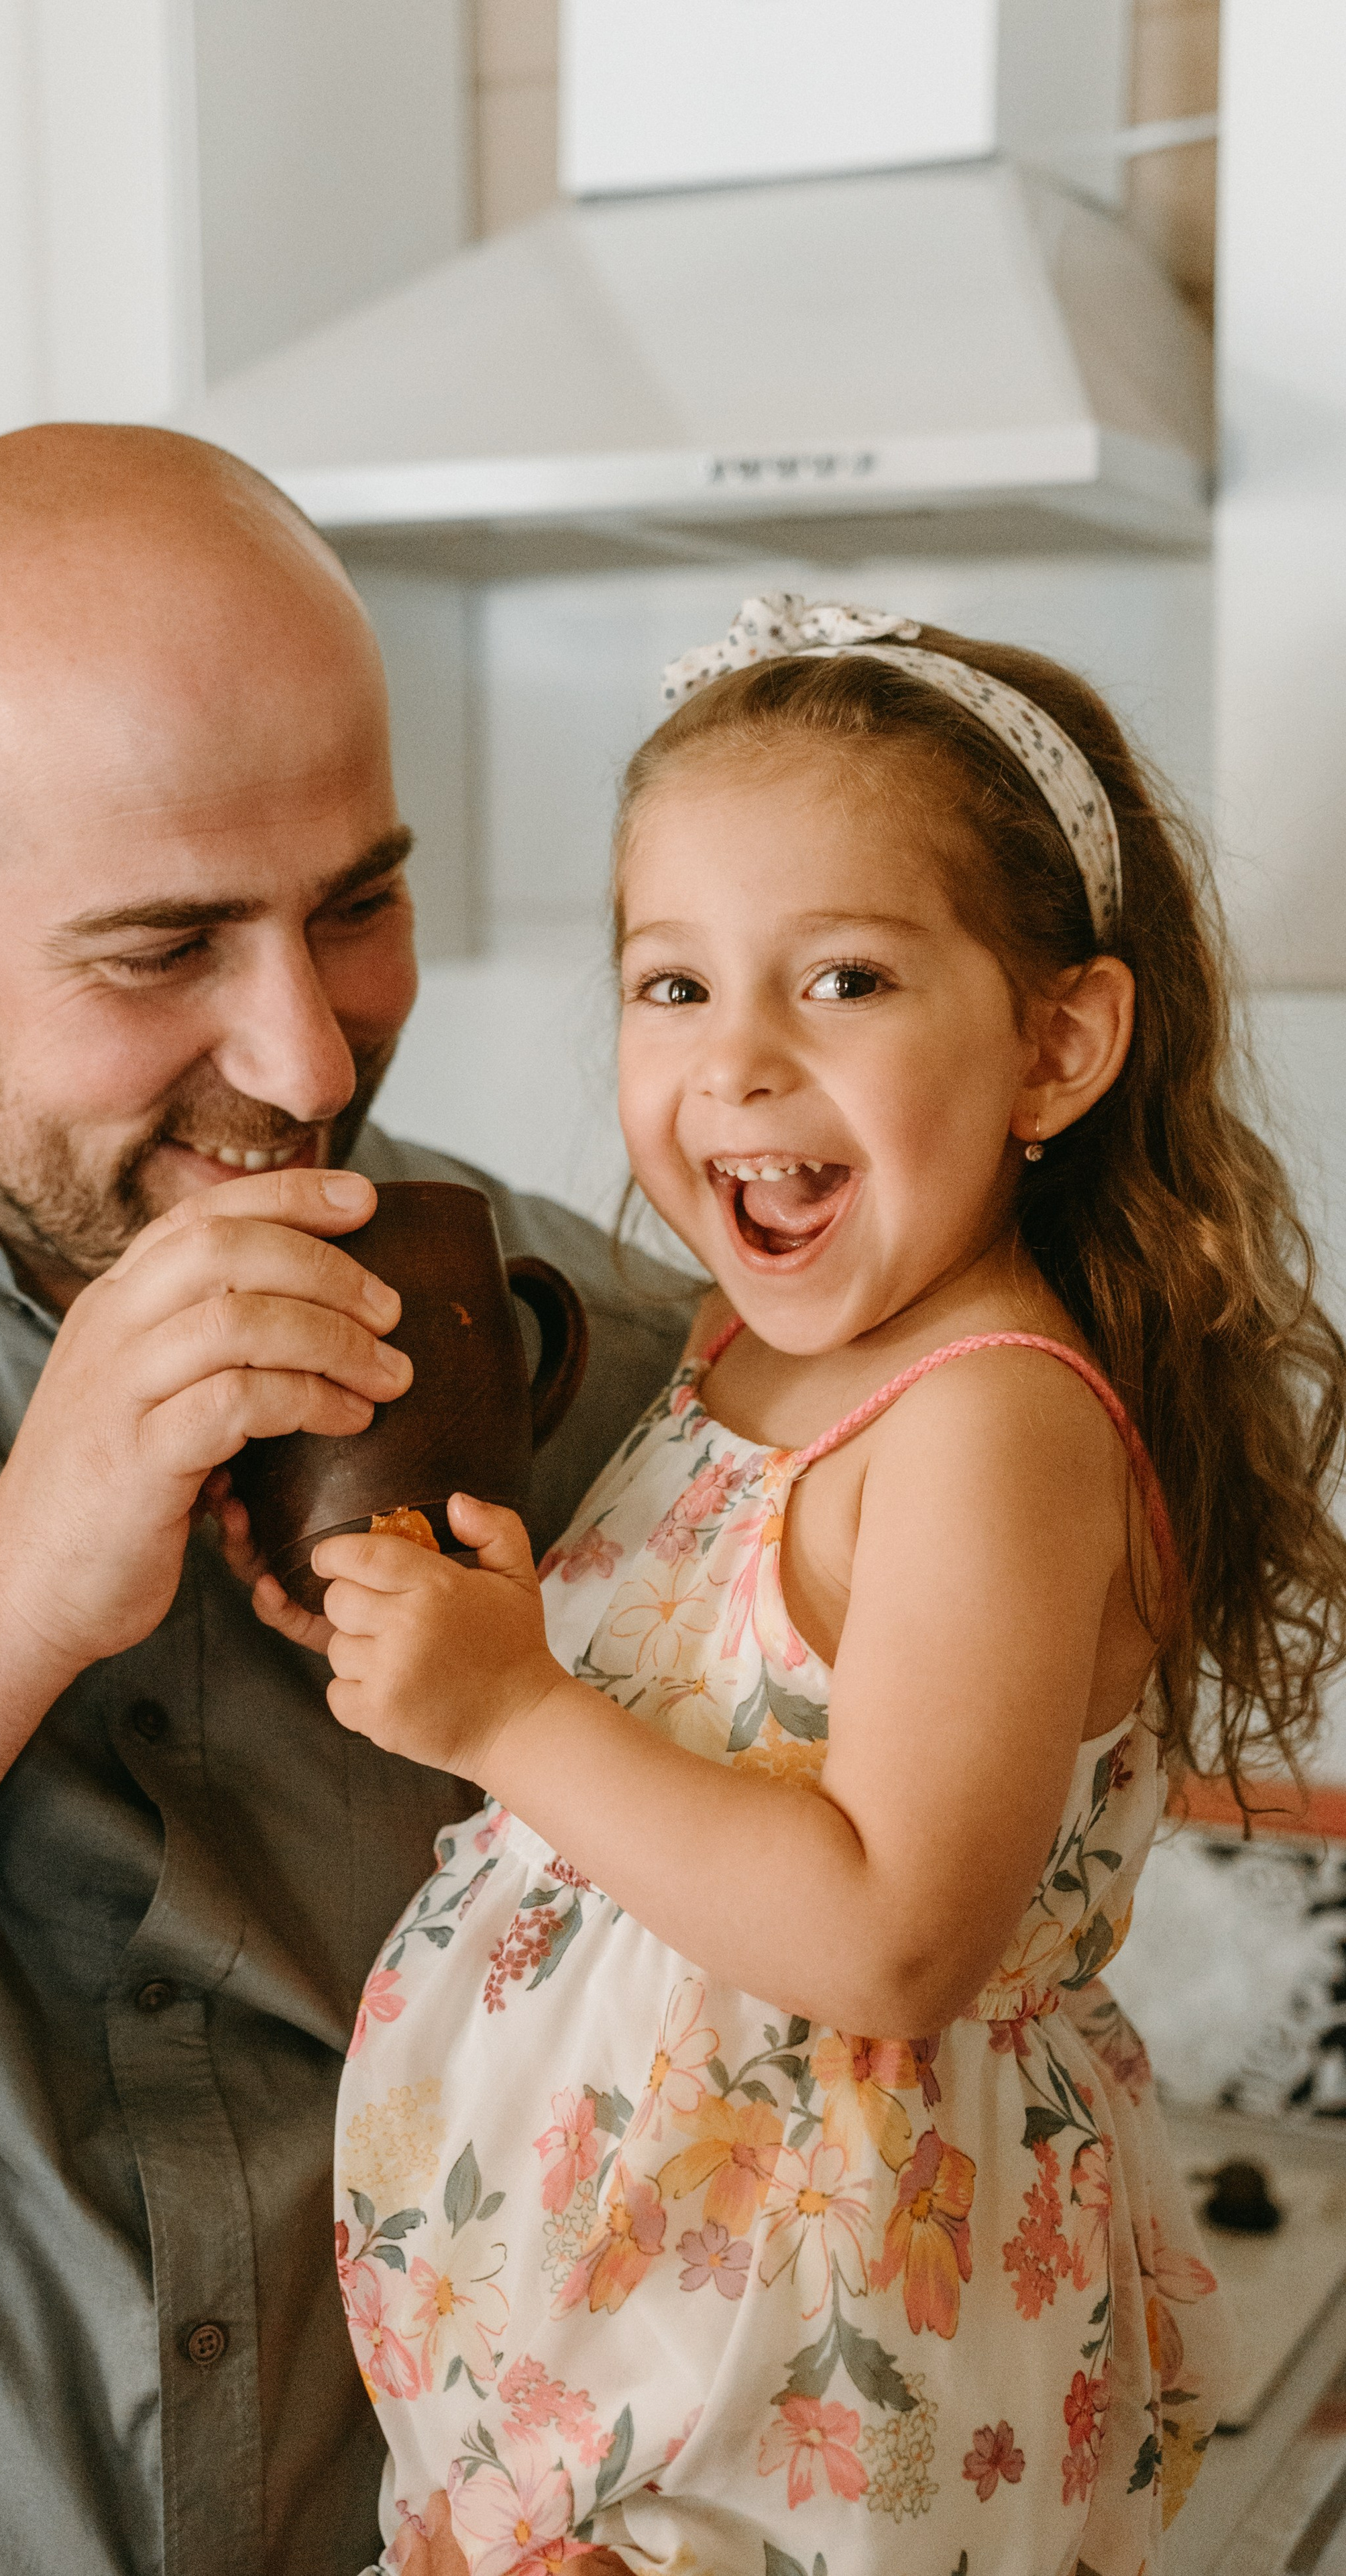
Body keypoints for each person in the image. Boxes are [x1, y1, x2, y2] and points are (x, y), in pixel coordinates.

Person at [0, 425, 692, 2576]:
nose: (307, 1057)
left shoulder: (615, 1365)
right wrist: (13, 1589)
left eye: (360, 905)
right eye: (159, 949)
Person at [252, 594, 1346, 2573]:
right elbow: (678, 1773)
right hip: (610, 2407)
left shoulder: (988, 1423)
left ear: (1058, 1045)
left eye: (841, 979)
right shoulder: (739, 1353)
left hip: (825, 2416)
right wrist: (456, 1636)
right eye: (669, 985)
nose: (737, 1062)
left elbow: (890, 1941)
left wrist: (515, 1712)